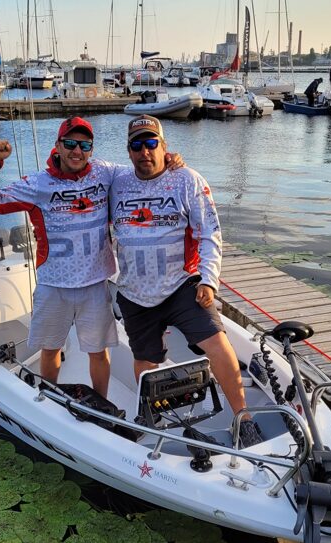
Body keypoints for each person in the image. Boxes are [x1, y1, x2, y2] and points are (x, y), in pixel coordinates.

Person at [0, 117, 182, 397]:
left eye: (84, 145)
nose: (77, 151)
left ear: (91, 149)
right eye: (70, 144)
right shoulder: (38, 183)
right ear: (58, 146)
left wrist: (167, 159)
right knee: (50, 350)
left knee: (98, 352)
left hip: (94, 284)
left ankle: (102, 403)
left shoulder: (105, 172)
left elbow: (143, 170)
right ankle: (50, 399)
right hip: (53, 284)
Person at [109, 115, 263, 448]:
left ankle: (243, 417)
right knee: (144, 359)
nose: (145, 151)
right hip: (135, 291)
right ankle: (152, 416)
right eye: (137, 145)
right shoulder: (116, 181)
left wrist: (209, 280)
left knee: (217, 343)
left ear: (164, 147)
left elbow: (210, 233)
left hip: (181, 283)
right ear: (128, 150)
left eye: (152, 143)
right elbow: (78, 169)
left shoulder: (187, 179)